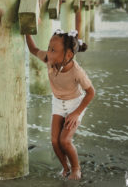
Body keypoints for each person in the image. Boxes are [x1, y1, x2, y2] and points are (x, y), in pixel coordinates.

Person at [25, 29, 95, 180]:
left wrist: (76, 113)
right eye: (49, 48)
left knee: (65, 140)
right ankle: (66, 167)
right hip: (57, 102)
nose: (48, 53)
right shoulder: (49, 59)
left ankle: (76, 168)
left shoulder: (77, 72)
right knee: (55, 141)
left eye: (53, 50)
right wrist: (26, 32)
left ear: (68, 55)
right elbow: (33, 49)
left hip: (75, 104)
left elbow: (91, 93)